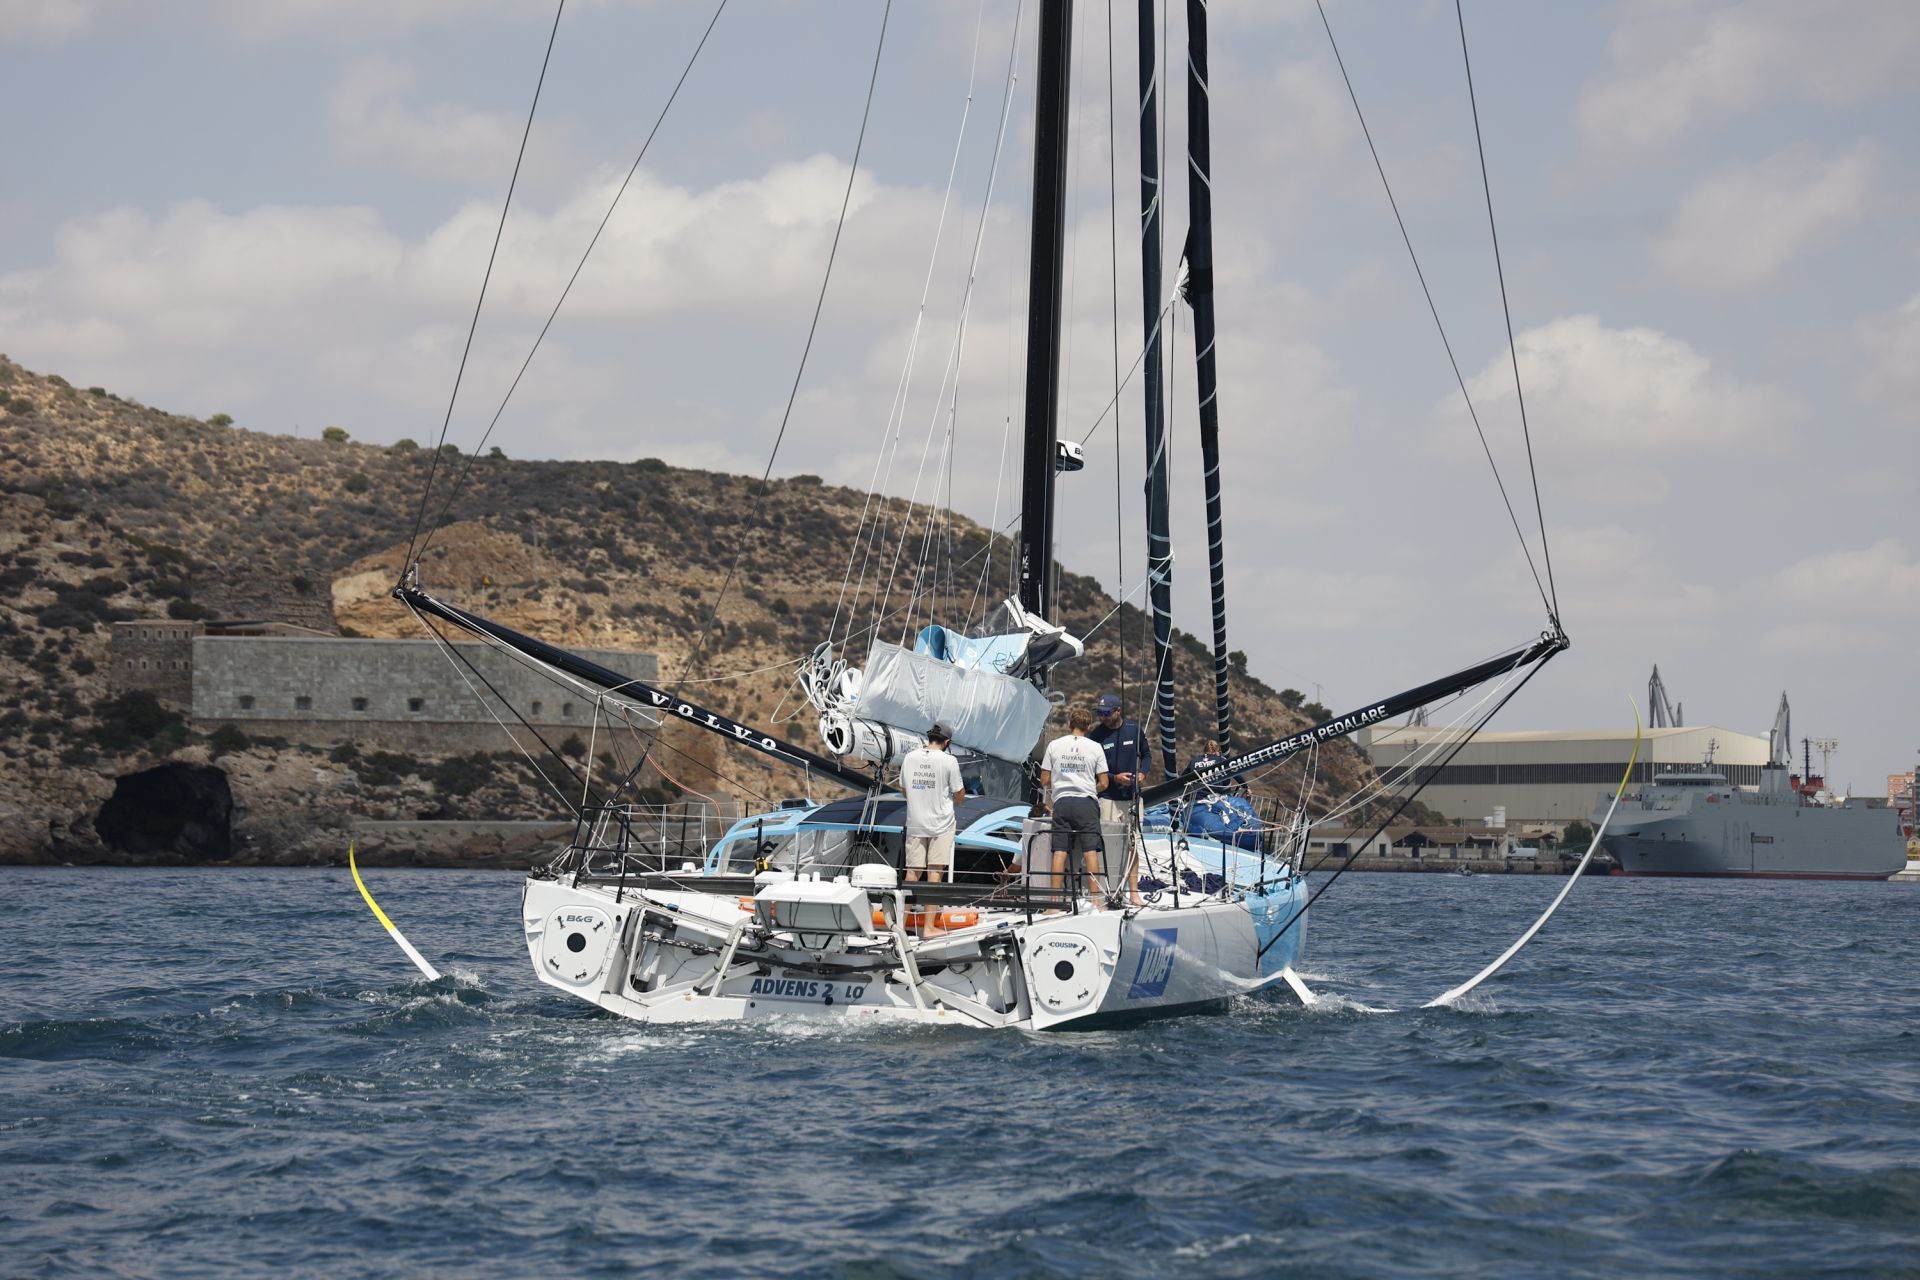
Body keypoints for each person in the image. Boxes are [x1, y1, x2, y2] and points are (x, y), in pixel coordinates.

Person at [1038, 707, 1109, 902]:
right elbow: (1104, 783)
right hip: (1086, 802)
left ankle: (1054, 902)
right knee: (1090, 852)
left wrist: (1061, 784)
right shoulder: (1095, 747)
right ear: (1088, 726)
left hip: (1062, 802)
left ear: (1070, 724)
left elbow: (1044, 779)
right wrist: (1087, 787)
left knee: (1059, 851)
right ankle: (1096, 900)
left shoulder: (1054, 745)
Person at [1089, 692, 1146, 904]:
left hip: (1132, 798)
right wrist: (1114, 778)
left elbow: (1147, 755)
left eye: (1106, 712)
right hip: (1108, 798)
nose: (1102, 716)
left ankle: (1134, 892)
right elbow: (1092, 769)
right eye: (1099, 713)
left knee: (1132, 845)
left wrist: (1143, 774)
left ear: (1118, 711)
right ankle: (1108, 889)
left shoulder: (1134, 730)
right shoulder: (1096, 737)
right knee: (1108, 844)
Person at [900, 722, 966, 883]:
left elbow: (904, 789)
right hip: (941, 824)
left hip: (915, 822)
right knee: (935, 871)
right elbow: (960, 795)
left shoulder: (909, 757)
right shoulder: (949, 761)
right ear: (947, 742)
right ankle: (929, 909)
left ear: (929, 738)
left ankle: (905, 909)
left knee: (912, 872)